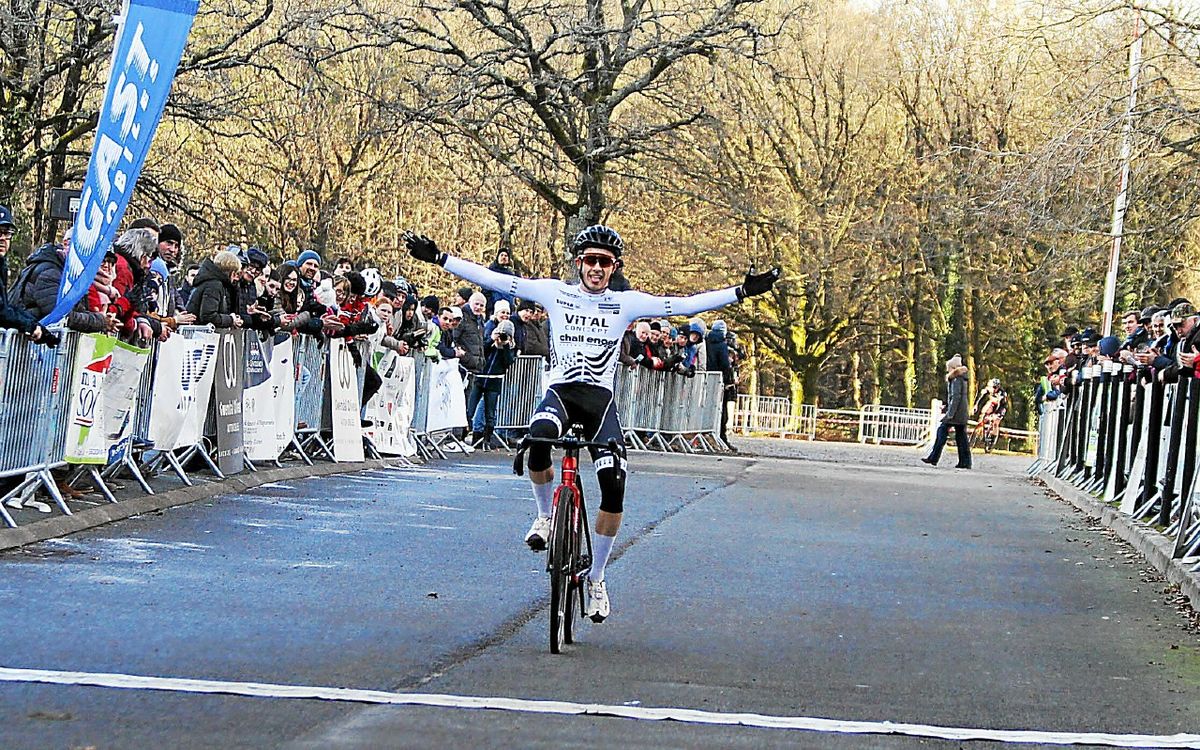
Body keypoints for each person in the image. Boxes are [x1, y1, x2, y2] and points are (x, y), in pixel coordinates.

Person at [405, 224, 780, 622]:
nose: (596, 268)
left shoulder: (626, 303)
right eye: (590, 261)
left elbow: (684, 305)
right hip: (561, 395)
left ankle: (597, 578)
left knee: (614, 486)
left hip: (600, 404)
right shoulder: (555, 293)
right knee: (538, 439)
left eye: (604, 262)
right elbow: (495, 278)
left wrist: (740, 291)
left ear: (613, 266)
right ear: (579, 263)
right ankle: (546, 516)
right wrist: (440, 258)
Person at [922, 354, 971, 469]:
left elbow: (956, 397)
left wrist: (950, 414)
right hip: (961, 412)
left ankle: (934, 457)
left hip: (956, 413)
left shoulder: (956, 379)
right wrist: (947, 407)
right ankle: (965, 462)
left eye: (948, 368)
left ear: (953, 368)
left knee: (942, 430)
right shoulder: (962, 379)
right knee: (961, 437)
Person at [187, 250, 244, 328]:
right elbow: (208, 316)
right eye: (235, 274)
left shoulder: (210, 282)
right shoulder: (214, 285)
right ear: (231, 272)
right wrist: (231, 319)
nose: (236, 278)